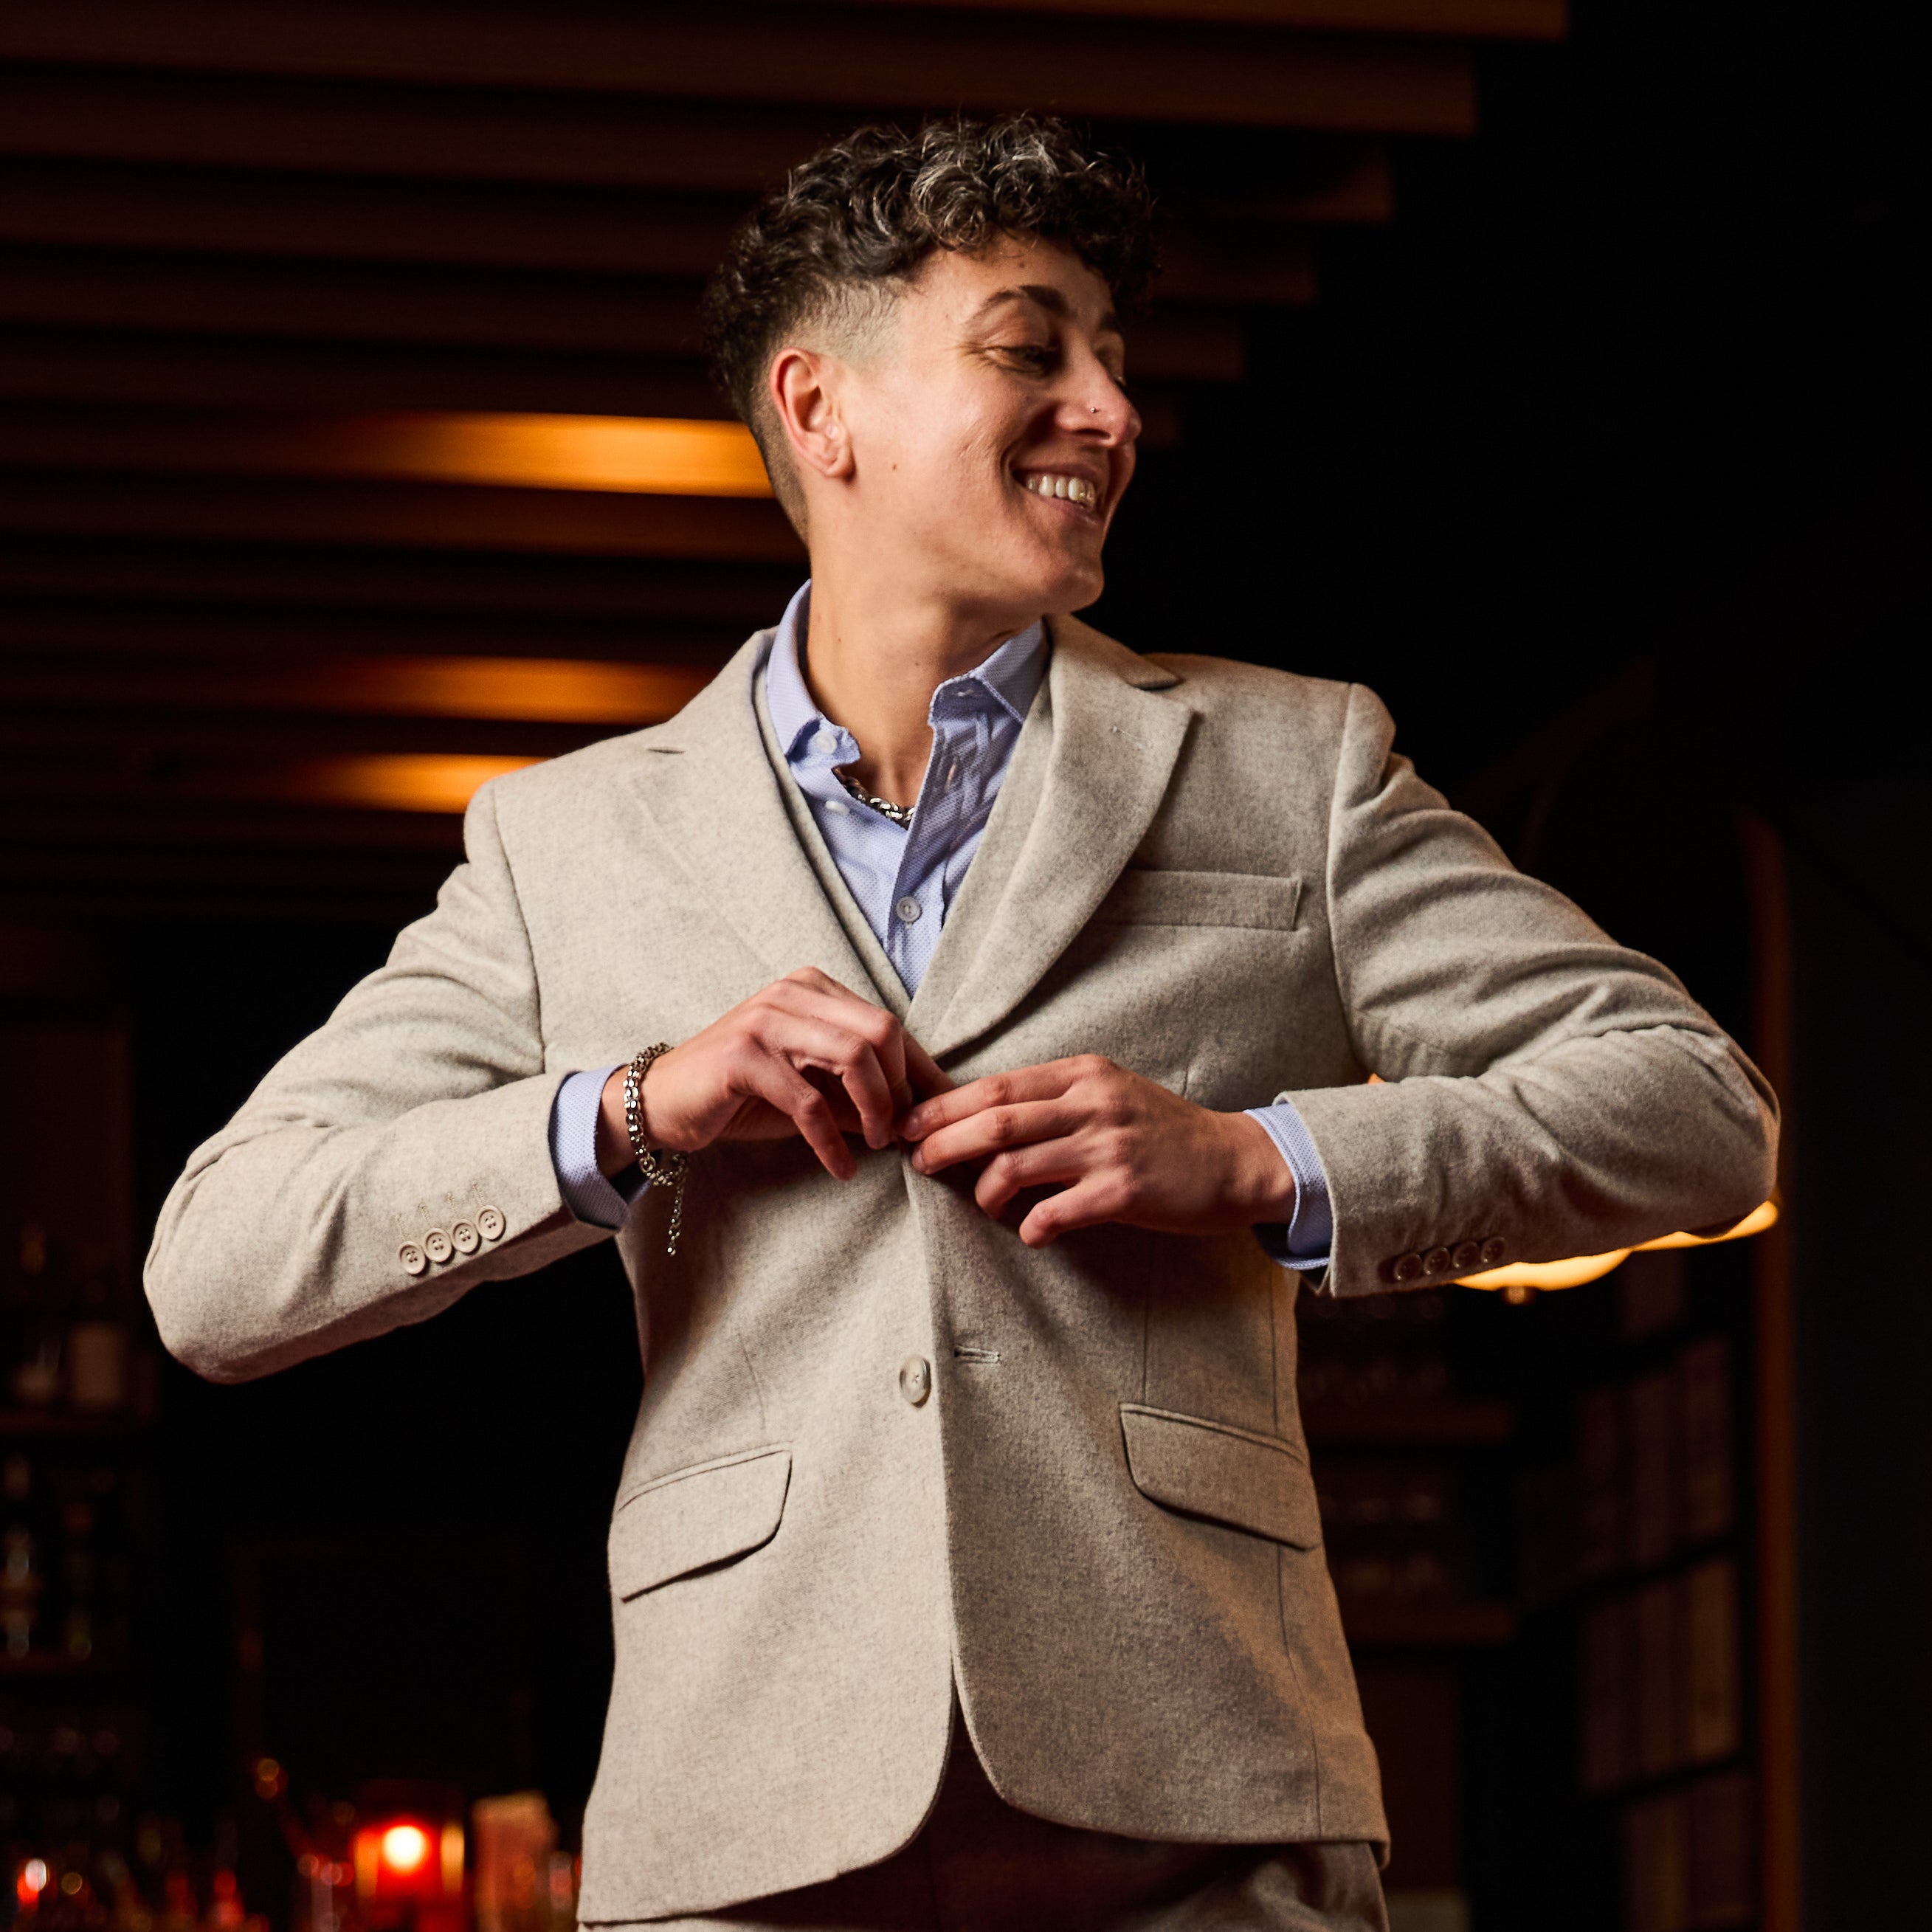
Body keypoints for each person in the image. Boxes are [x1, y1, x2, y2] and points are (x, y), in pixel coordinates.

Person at [145, 117, 1778, 1931]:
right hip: (742, 1829)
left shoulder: (1291, 765)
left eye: (1116, 362)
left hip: (1204, 1815)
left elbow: (1699, 1108)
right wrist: (635, 1109)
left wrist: (1260, 1155)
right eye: (1032, 347)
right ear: (819, 407)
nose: (1109, 411)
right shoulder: (569, 843)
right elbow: (219, 1271)